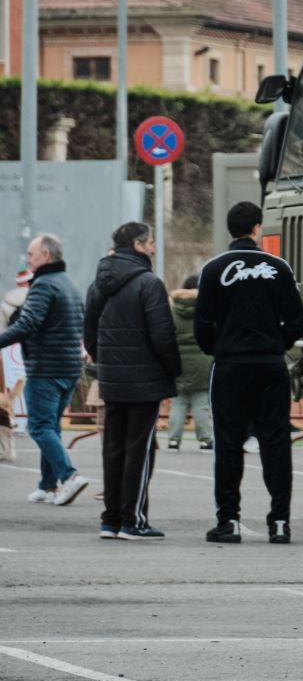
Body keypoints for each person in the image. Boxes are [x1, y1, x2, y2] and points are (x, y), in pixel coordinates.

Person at [196, 203, 303, 545]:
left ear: (231, 230)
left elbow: (202, 323)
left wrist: (220, 347)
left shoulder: (214, 269)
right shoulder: (278, 267)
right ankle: (280, 522)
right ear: (257, 228)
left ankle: (228, 520)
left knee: (228, 443)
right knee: (275, 444)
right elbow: (296, 322)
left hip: (229, 365)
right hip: (270, 365)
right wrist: (276, 344)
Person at [83, 222, 182, 540]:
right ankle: (133, 520)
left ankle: (110, 519)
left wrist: (105, 361)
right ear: (138, 245)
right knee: (139, 450)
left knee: (113, 448)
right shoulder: (148, 283)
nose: (154, 247)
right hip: (145, 380)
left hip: (112, 378)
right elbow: (162, 335)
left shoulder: (99, 282)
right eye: (151, 242)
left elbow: (90, 332)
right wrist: (172, 369)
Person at [1, 235, 91, 507]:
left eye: (31, 254)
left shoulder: (43, 285)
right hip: (69, 368)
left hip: (46, 368)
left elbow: (28, 324)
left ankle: (70, 476)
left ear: (46, 256)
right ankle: (47, 485)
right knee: (51, 426)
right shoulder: (70, 285)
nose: (28, 260)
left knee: (39, 426)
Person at [167, 275, 213, 451]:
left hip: (177, 360)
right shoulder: (205, 307)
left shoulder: (171, 308)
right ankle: (205, 439)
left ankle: (173, 439)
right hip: (202, 359)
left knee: (178, 402)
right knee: (201, 402)